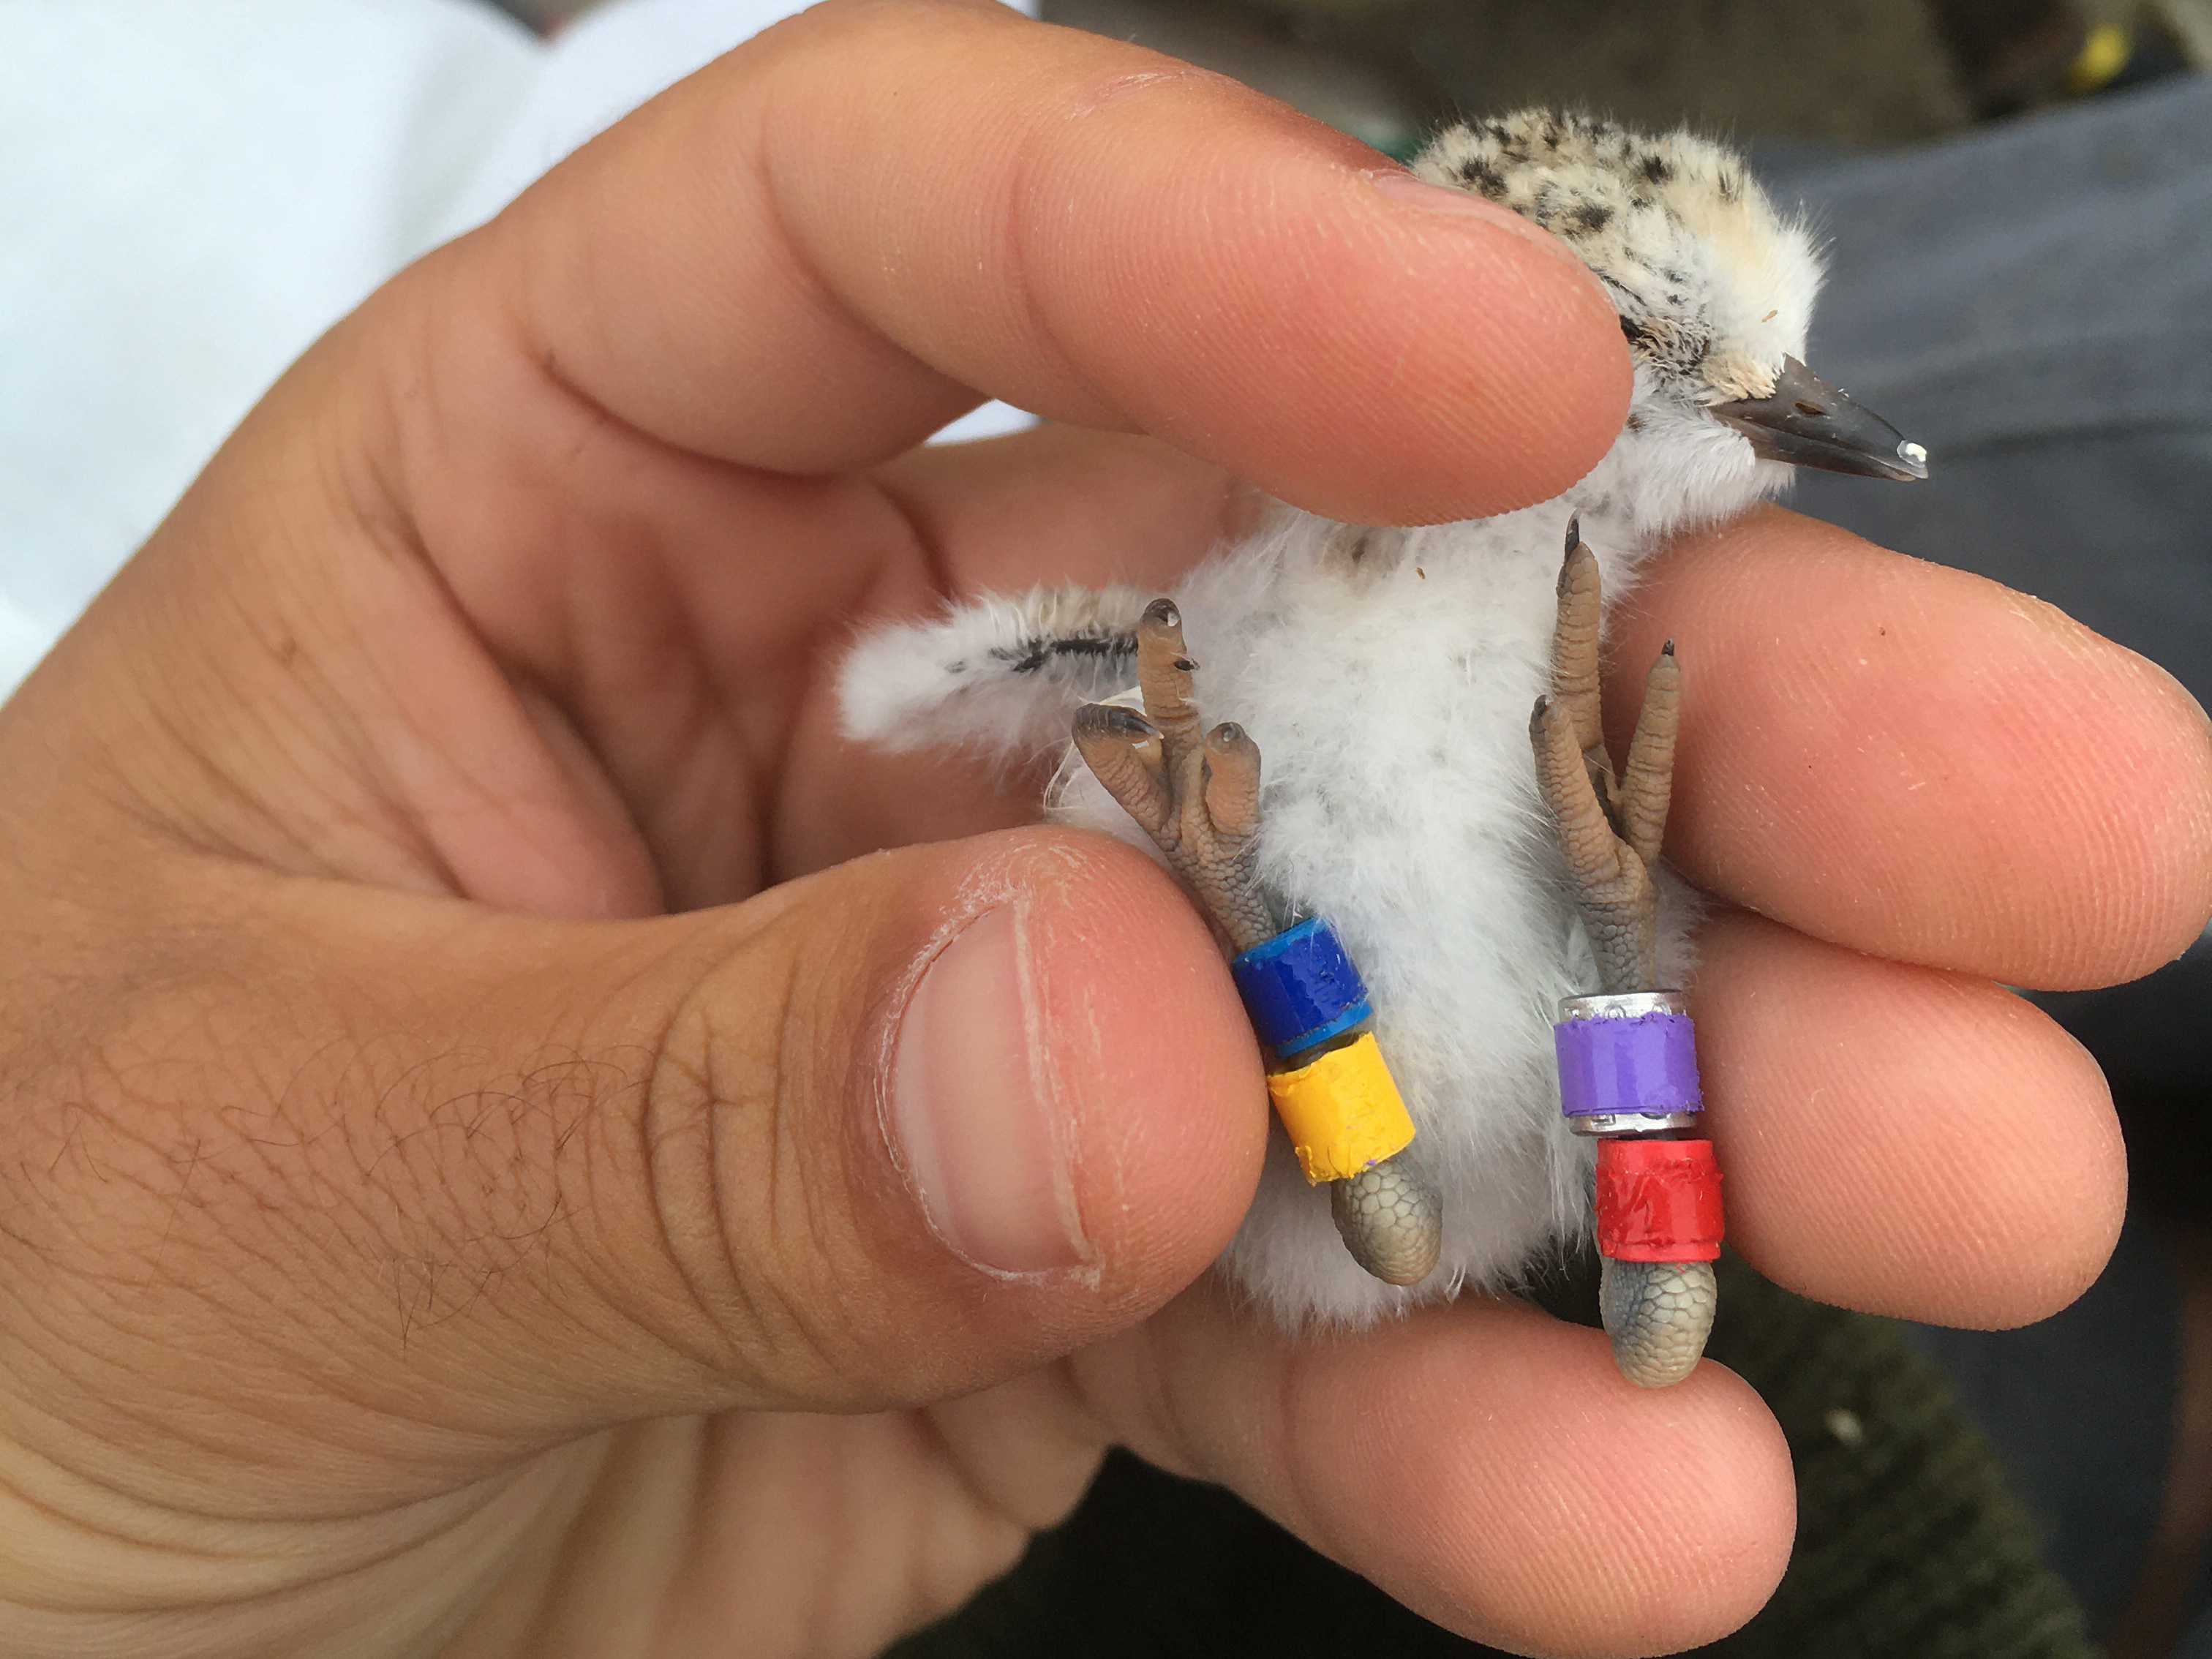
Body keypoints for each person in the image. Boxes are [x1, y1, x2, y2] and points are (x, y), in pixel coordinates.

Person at [0, 3, 2200, 1654]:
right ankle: (1532, 1122)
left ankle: (1520, 1103)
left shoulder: (1372, 598)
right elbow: (958, 684)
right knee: (1592, 1160)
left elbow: (976, 677)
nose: (1778, 408)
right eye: (1667, 346)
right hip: (1241, 1243)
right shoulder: (1299, 596)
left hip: (1324, 1188)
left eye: (1765, 357)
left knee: (1721, 1119)